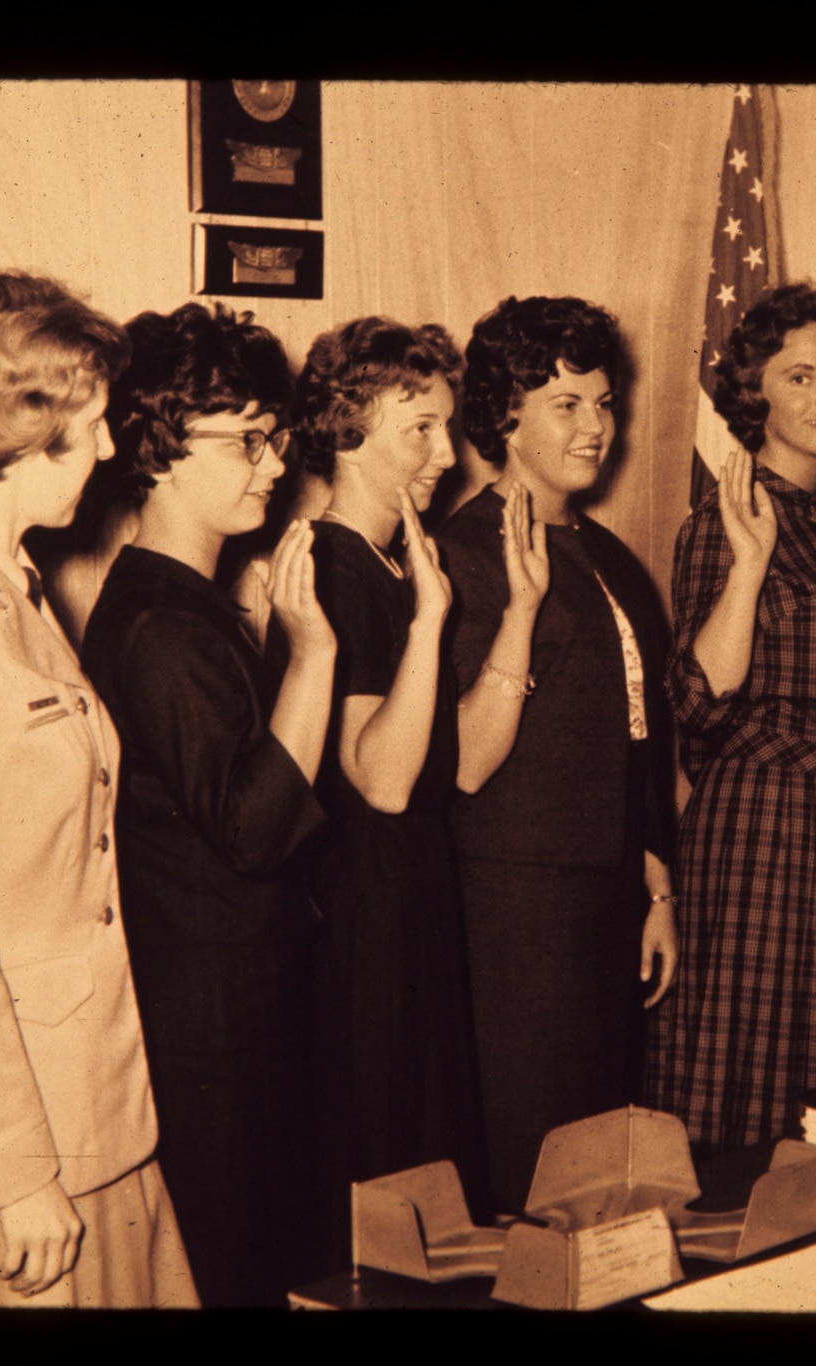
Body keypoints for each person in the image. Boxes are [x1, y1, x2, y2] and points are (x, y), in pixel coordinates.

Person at [0, 272, 196, 1306]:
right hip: (9, 1161)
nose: (108, 452)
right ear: (24, 429)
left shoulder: (9, 589)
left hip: (93, 1114)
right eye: (92, 425)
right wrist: (13, 1171)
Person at [80, 302, 335, 1305]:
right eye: (247, 440)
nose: (273, 464)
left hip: (241, 1016)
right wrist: (313, 656)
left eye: (273, 437)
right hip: (212, 1037)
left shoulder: (188, 604)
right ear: (157, 449)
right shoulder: (158, 623)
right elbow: (253, 829)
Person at [434, 296, 678, 1212]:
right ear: (505, 417)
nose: (595, 428)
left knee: (597, 1157)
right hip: (514, 908)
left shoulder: (605, 552)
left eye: (604, 402)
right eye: (566, 404)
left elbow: (639, 741)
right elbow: (460, 759)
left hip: (606, 896)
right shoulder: (465, 554)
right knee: (527, 1151)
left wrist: (655, 888)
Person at [644, 284, 816, 1157]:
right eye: (800, 377)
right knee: (745, 1081)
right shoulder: (727, 516)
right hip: (762, 826)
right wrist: (750, 568)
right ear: (756, 393)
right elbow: (695, 701)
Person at [288, 317, 493, 1234]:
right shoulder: (336, 567)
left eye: (447, 427)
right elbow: (383, 780)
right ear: (347, 433)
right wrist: (427, 624)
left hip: (410, 904)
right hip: (364, 927)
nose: (447, 455)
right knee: (388, 1182)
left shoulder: (390, 563)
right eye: (421, 429)